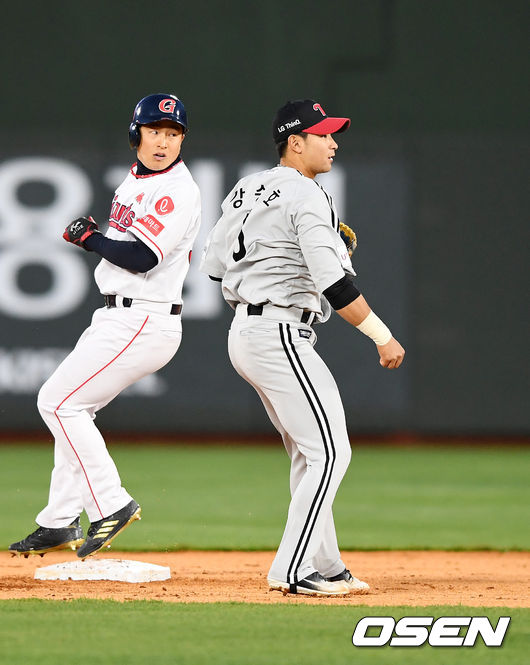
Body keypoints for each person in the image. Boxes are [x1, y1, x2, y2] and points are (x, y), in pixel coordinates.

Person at [200, 99, 404, 596]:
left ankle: (326, 564)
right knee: (331, 453)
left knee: (308, 452)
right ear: (295, 142)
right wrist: (382, 336)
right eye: (323, 135)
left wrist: (281, 257)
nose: (333, 143)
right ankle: (292, 568)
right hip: (279, 333)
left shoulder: (247, 187)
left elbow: (214, 267)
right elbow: (335, 284)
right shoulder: (308, 194)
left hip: (249, 331)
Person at [9, 93, 201, 559]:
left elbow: (142, 257)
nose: (163, 142)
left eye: (173, 133)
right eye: (155, 131)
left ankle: (111, 504)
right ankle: (58, 520)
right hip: (118, 315)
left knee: (56, 403)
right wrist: (98, 238)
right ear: (137, 134)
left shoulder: (177, 189)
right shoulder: (135, 181)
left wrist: (90, 238)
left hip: (144, 316)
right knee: (74, 408)